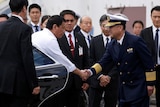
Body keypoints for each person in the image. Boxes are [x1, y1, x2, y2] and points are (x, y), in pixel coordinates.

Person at [85, 13, 156, 107]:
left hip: (138, 88)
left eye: (110, 27)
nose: (108, 29)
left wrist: (150, 84)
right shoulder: (112, 45)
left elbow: (149, 63)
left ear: (119, 27)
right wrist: (89, 72)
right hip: (123, 89)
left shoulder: (135, 41)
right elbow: (102, 62)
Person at [0, 0, 40, 107]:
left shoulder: (1, 27)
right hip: (17, 84)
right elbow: (27, 58)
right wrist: (34, 84)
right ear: (24, 8)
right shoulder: (24, 28)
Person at [57, 10, 89, 107]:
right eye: (66, 21)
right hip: (62, 83)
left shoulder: (80, 37)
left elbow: (86, 59)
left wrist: (86, 81)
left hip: (77, 83)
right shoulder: (57, 38)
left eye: (72, 20)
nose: (69, 23)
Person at [88, 14, 119, 107]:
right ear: (101, 26)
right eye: (105, 26)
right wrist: (100, 76)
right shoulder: (94, 40)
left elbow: (119, 61)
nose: (107, 28)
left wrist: (109, 76)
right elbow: (91, 60)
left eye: (109, 26)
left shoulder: (117, 40)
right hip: (96, 80)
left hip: (112, 80)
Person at [140, 5, 160, 107]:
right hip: (149, 70)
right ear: (151, 16)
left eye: (159, 17)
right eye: (154, 16)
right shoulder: (144, 33)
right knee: (145, 96)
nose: (157, 19)